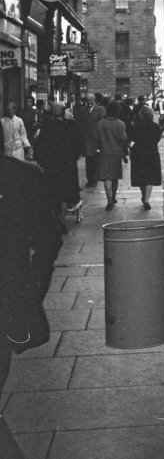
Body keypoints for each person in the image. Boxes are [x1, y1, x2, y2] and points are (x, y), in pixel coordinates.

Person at [0, 148, 62, 457]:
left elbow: (49, 238)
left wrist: (29, 294)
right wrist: (30, 293)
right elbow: (49, 239)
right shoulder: (22, 175)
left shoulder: (21, 175)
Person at [34, 102, 81, 234]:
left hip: (51, 167)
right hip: (67, 166)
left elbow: (38, 148)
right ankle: (62, 220)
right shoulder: (70, 127)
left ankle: (56, 219)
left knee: (53, 194)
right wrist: (72, 159)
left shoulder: (46, 128)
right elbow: (77, 145)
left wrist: (42, 162)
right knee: (65, 194)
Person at [97, 100, 128, 210]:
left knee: (107, 178)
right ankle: (114, 196)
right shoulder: (120, 124)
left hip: (104, 152)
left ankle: (108, 199)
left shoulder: (100, 123)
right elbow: (123, 139)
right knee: (114, 177)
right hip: (116, 153)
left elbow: (96, 139)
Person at [130, 105, 162, 210]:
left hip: (138, 153)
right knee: (150, 177)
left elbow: (132, 138)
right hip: (151, 153)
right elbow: (157, 139)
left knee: (140, 177)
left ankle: (143, 195)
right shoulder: (155, 126)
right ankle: (146, 199)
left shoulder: (136, 126)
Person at [78, 93, 105, 187]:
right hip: (86, 138)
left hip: (96, 138)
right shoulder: (83, 110)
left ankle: (94, 178)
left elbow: (102, 123)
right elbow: (80, 123)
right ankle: (90, 179)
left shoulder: (100, 110)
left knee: (95, 159)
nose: (88, 102)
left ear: (94, 100)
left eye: (90, 100)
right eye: (87, 100)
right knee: (88, 160)